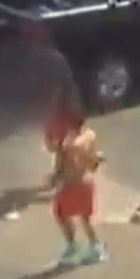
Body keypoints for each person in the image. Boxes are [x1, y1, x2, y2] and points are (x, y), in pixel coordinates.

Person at [45, 89, 106, 266]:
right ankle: (96, 248)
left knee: (61, 214)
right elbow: (93, 162)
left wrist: (54, 179)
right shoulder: (90, 136)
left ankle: (72, 246)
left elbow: (61, 166)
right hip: (87, 183)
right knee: (85, 218)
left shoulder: (67, 144)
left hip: (72, 185)